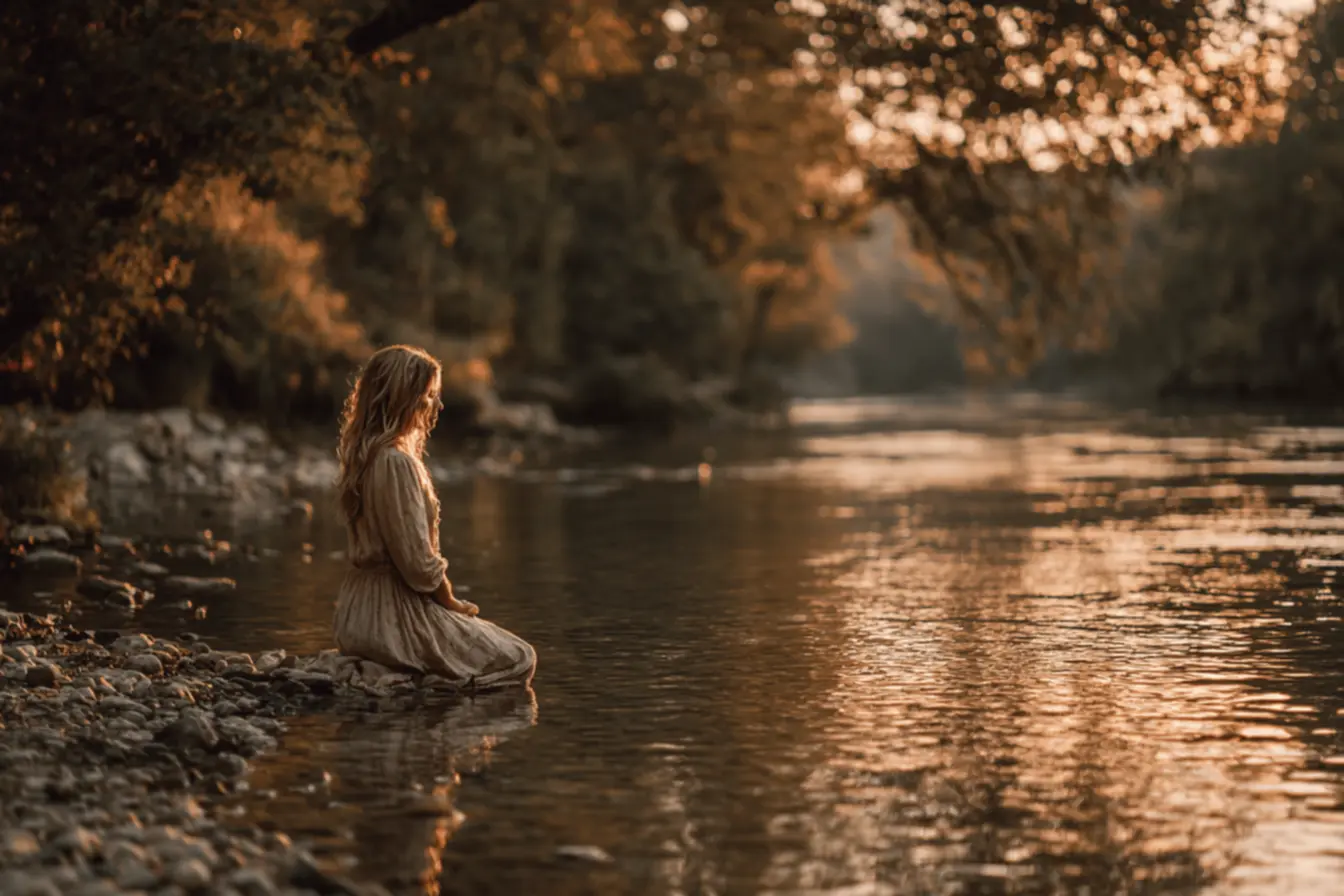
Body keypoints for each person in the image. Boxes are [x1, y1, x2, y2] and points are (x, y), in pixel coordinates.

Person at [332, 345, 536, 689]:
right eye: (428, 397)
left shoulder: (365, 458)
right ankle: (426, 691)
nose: (437, 406)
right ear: (403, 398)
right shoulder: (396, 463)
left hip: (356, 610)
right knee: (521, 658)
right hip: (391, 616)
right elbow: (417, 564)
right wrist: (450, 602)